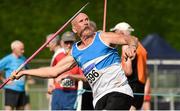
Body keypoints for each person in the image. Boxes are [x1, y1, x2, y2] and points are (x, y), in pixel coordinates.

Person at [11, 13, 138, 110]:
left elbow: (130, 38)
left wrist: (132, 47)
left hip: (119, 90)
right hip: (99, 97)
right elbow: (53, 71)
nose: (85, 22)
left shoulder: (103, 37)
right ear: (74, 29)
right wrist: (24, 72)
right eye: (81, 21)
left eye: (87, 19)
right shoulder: (75, 52)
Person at [110, 22, 148, 110]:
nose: (113, 35)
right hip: (140, 86)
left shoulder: (126, 46)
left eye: (115, 32)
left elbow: (128, 71)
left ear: (121, 33)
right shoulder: (140, 46)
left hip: (131, 86)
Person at [46, 32, 86, 110]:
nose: (68, 45)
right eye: (66, 42)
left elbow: (84, 77)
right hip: (57, 93)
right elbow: (51, 72)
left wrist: (70, 76)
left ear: (75, 43)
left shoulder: (79, 58)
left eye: (71, 42)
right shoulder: (58, 56)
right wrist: (51, 85)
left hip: (71, 94)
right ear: (61, 43)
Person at [0, 40, 28, 110]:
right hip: (11, 89)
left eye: (23, 49)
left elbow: (27, 71)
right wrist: (3, 80)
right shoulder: (8, 59)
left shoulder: (23, 59)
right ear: (14, 49)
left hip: (22, 89)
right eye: (21, 49)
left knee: (21, 109)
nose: (23, 51)